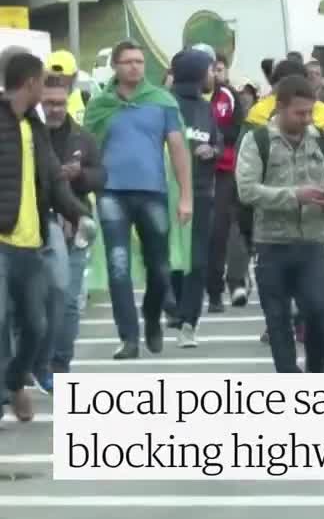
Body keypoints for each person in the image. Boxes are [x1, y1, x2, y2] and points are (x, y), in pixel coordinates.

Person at [83, 40, 193, 360]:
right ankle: (128, 338)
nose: (135, 67)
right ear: (115, 67)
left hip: (152, 193)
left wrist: (185, 196)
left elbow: (178, 150)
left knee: (159, 267)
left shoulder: (162, 101)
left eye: (140, 62)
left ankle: (152, 317)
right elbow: (88, 148)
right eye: (128, 61)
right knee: (119, 266)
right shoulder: (100, 105)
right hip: (111, 193)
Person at [236, 74, 324, 373]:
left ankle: (315, 372)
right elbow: (247, 190)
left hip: (312, 242)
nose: (307, 118)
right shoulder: (257, 141)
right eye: (299, 113)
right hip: (271, 243)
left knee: (317, 312)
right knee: (277, 319)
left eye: (310, 111)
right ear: (281, 108)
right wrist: (293, 196)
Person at [0, 50, 90, 421]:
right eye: (43, 83)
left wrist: (78, 214)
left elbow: (53, 181)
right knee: (1, 319)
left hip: (30, 243)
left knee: (37, 325)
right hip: (1, 242)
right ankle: (6, 394)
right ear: (32, 83)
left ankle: (17, 378)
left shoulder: (35, 128)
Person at [33, 73, 103, 390]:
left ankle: (59, 364)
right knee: (32, 299)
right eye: (48, 103)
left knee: (69, 299)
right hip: (33, 225)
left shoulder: (83, 137)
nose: (55, 110)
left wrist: (81, 175)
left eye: (60, 103)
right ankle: (31, 360)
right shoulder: (26, 135)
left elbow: (102, 175)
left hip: (74, 226)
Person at [167, 48, 223, 347]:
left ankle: (189, 321)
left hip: (202, 192)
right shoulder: (167, 105)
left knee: (198, 260)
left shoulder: (205, 108)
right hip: (169, 192)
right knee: (172, 258)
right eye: (208, 71)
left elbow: (217, 140)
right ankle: (174, 307)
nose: (212, 76)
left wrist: (211, 151)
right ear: (194, 74)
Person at [207, 53, 248, 312]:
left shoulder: (229, 95)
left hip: (226, 170)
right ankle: (211, 286)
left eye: (217, 68)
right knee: (210, 231)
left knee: (229, 226)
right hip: (196, 171)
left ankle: (234, 282)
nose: (213, 73)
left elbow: (237, 130)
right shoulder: (188, 97)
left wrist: (216, 140)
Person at [47, 49, 89, 123]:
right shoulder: (39, 103)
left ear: (74, 76)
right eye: (53, 77)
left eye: (63, 76)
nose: (58, 81)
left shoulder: (84, 97)